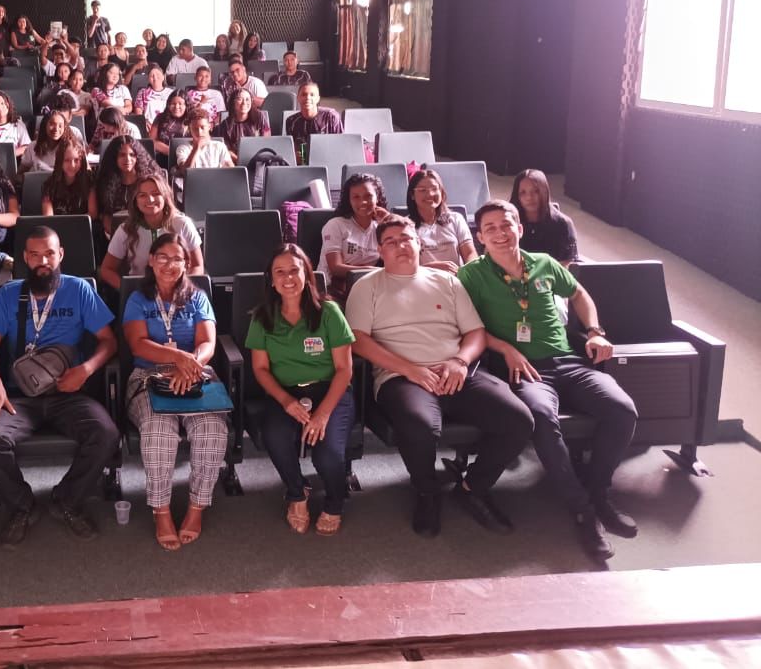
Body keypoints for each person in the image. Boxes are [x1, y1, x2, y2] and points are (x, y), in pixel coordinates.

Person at [458, 201, 638, 561]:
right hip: (525, 370)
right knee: (541, 417)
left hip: (569, 362)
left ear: (519, 229)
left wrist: (595, 331)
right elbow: (466, 326)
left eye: (506, 225)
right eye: (490, 228)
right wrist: (505, 348)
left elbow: (579, 294)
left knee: (622, 410)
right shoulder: (472, 275)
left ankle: (598, 491)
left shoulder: (544, 263)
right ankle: (583, 509)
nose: (500, 233)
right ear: (480, 238)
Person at [347, 215, 534, 537]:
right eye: (390, 241)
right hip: (401, 377)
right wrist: (410, 369)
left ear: (419, 243)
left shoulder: (446, 281)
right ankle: (427, 490)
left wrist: (460, 361)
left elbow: (475, 332)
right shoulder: (367, 286)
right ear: (380, 250)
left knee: (519, 420)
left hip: (457, 369)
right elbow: (358, 340)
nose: (400, 246)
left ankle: (473, 487)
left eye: (406, 238)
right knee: (419, 427)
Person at [0, 226, 120, 545]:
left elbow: (109, 342)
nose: (43, 261)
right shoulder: (8, 294)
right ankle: (21, 506)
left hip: (68, 393)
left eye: (49, 254)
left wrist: (86, 369)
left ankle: (68, 499)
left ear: (61, 255)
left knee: (106, 434)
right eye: (35, 255)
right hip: (19, 397)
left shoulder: (79, 289)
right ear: (25, 258)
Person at [122, 234, 226, 549]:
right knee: (158, 431)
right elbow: (138, 345)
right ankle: (161, 510)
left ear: (186, 263)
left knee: (212, 429)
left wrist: (189, 365)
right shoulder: (138, 300)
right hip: (149, 375)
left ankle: (197, 507)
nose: (170, 264)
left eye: (177, 258)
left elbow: (207, 343)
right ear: (151, 261)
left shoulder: (197, 297)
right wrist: (179, 358)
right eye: (163, 258)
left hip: (195, 373)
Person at [247, 245, 357, 535]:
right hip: (285, 393)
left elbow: (344, 370)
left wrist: (322, 414)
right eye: (279, 272)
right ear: (271, 280)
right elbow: (260, 369)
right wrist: (285, 401)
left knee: (327, 455)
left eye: (294, 270)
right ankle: (297, 493)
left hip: (331, 392)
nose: (287, 278)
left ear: (307, 275)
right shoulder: (262, 317)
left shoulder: (329, 312)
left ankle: (335, 502)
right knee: (275, 437)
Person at [99, 174, 204, 292]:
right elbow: (106, 270)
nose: (150, 199)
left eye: (156, 194)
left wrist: (181, 289)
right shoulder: (125, 230)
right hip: (140, 292)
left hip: (178, 291)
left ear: (165, 196)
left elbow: (197, 266)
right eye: (142, 195)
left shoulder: (183, 224)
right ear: (135, 201)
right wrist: (130, 291)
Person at [319, 172, 390, 290]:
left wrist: (389, 220)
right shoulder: (335, 225)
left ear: (377, 197)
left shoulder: (381, 227)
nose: (362, 202)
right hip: (331, 289)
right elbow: (335, 268)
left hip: (367, 287)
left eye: (368, 196)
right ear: (349, 200)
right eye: (356, 197)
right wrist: (372, 271)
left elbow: (396, 259)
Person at [407, 168, 476, 273]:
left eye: (434, 189)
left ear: (441, 192)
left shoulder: (456, 219)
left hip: (456, 277)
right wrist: (431, 268)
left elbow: (470, 253)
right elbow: (403, 267)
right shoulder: (405, 226)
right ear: (412, 195)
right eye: (422, 190)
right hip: (423, 279)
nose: (430, 194)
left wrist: (468, 272)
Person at [91, 135, 159, 239]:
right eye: (122, 155)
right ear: (114, 158)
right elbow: (103, 214)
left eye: (132, 155)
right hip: (113, 234)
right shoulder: (104, 181)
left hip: (145, 231)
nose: (127, 159)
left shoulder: (149, 181)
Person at [510, 169, 580, 266]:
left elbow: (566, 264)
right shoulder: (509, 222)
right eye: (523, 192)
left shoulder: (562, 224)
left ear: (545, 192)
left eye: (536, 191)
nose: (529, 197)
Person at [284, 83, 343, 161]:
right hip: (303, 161)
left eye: (312, 95)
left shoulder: (331, 116)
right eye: (304, 94)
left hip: (329, 158)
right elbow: (294, 149)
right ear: (298, 98)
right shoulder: (291, 121)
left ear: (318, 99)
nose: (308, 98)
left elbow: (340, 145)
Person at [41, 136, 95, 217]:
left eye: (76, 160)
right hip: (57, 224)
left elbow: (93, 214)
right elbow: (48, 217)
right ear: (60, 161)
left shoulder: (89, 180)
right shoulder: (49, 185)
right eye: (67, 160)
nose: (72, 165)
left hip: (82, 224)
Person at [214, 87, 271, 162]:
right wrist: (240, 161)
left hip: (259, 160)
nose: (244, 103)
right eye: (240, 99)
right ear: (233, 103)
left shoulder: (259, 117)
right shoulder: (226, 125)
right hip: (235, 163)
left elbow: (267, 141)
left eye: (247, 99)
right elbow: (225, 151)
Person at [173, 107, 234, 174]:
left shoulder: (219, 146)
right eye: (195, 129)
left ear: (209, 126)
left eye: (202, 127)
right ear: (190, 129)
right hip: (194, 180)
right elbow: (185, 172)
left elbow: (231, 170)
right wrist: (196, 148)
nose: (199, 132)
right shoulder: (183, 148)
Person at [20, 110, 69, 174]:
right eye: (52, 124)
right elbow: (21, 172)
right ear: (44, 125)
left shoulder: (69, 147)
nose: (56, 129)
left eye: (60, 126)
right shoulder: (32, 146)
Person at [149, 92, 190, 160]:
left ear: (186, 106)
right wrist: (172, 152)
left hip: (187, 157)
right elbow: (152, 141)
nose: (176, 107)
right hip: (162, 156)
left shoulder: (192, 119)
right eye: (173, 104)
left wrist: (180, 154)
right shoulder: (160, 117)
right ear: (168, 105)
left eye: (180, 104)